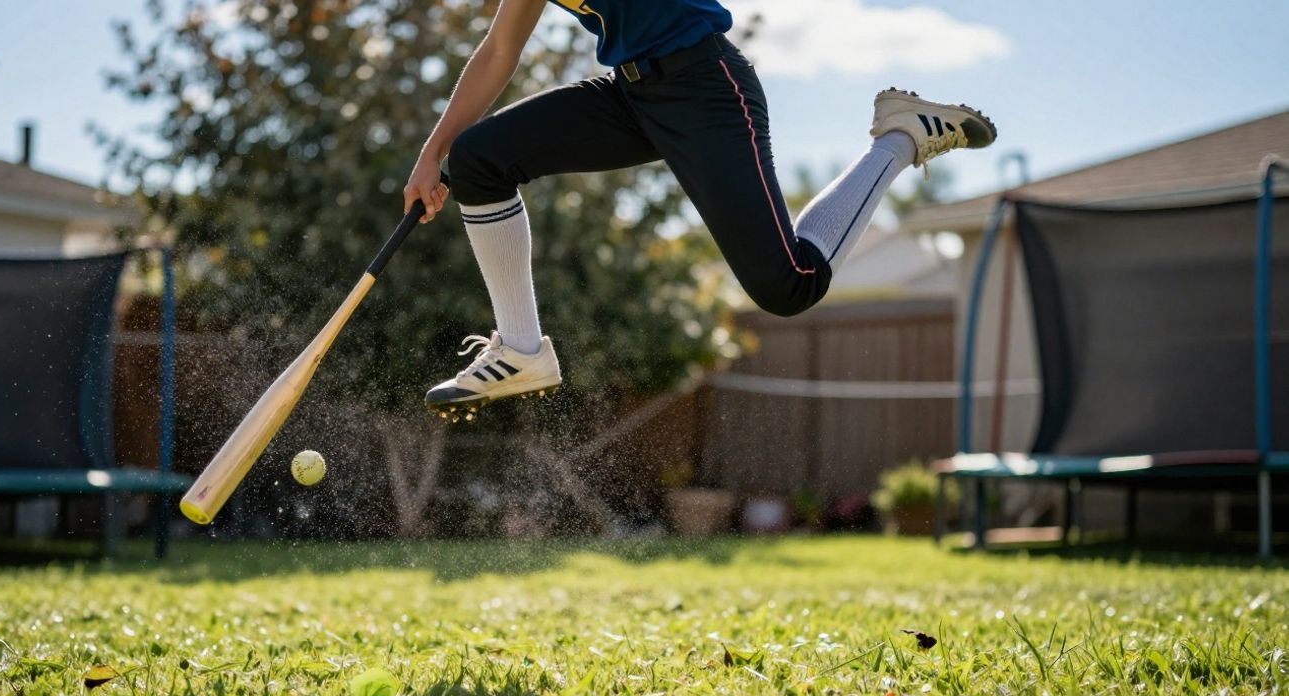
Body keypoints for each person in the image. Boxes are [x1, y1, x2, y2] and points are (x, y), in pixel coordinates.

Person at [405, 0, 996, 417]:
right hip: (629, 94)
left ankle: (900, 138)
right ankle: (520, 350)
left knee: (790, 285)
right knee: (477, 158)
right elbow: (500, 49)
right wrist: (431, 155)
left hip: (706, 85)